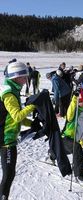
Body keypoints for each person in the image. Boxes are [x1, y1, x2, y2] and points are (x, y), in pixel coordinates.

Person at [0, 61, 36, 200]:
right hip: (6, 140)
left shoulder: (11, 90)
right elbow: (17, 116)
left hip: (6, 136)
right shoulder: (9, 94)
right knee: (9, 175)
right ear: (16, 77)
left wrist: (31, 123)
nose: (26, 80)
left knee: (9, 174)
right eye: (24, 77)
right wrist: (32, 106)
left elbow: (13, 116)